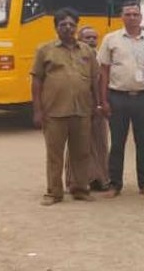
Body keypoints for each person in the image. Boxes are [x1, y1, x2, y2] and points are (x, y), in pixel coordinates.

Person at [31, 8, 100, 205]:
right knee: (55, 154)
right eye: (63, 25)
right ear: (56, 28)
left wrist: (98, 104)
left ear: (76, 27)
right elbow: (36, 81)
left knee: (81, 152)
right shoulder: (45, 50)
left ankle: (80, 189)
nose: (68, 28)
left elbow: (95, 79)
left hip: (82, 110)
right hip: (54, 112)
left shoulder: (86, 50)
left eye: (71, 24)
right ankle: (54, 192)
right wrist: (37, 110)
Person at [98, 1, 144, 197]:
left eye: (135, 14)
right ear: (121, 17)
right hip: (118, 97)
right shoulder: (111, 39)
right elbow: (104, 72)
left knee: (143, 142)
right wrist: (104, 101)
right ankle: (114, 184)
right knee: (117, 143)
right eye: (128, 14)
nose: (132, 17)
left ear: (141, 17)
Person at [64, 26, 110, 193]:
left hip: (98, 108)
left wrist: (102, 103)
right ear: (79, 39)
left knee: (100, 142)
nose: (91, 40)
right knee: (79, 143)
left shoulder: (101, 58)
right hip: (78, 106)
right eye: (87, 37)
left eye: (94, 37)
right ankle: (75, 181)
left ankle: (100, 178)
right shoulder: (73, 57)